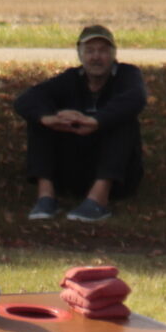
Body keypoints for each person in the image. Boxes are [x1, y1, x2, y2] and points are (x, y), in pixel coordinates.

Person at [14, 25, 145, 225]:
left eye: (102, 51)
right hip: (72, 168)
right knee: (40, 120)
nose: (96, 57)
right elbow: (26, 99)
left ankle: (98, 200)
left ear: (113, 54)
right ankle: (46, 197)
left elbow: (136, 98)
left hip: (116, 174)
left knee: (123, 121)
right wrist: (50, 118)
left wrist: (96, 121)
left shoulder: (128, 75)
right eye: (90, 51)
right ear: (80, 54)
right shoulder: (70, 79)